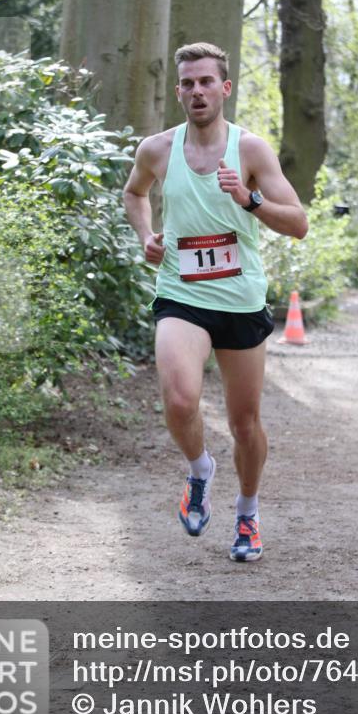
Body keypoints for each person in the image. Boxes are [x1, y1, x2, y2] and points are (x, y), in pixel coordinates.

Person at [123, 42, 308, 562]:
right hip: (181, 293)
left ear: (225, 88)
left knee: (244, 422)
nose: (197, 91)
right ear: (178, 90)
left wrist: (248, 199)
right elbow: (134, 193)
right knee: (180, 399)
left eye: (207, 82)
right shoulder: (157, 149)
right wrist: (146, 236)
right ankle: (200, 469)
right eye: (188, 83)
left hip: (240, 297)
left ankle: (247, 512)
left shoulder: (250, 151)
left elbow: (298, 223)